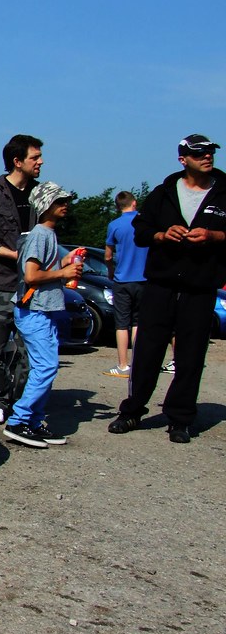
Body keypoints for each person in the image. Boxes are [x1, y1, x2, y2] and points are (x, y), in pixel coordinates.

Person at [108, 134, 226, 443]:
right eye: (199, 153)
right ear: (183, 159)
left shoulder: (225, 192)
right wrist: (162, 235)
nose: (207, 157)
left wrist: (214, 237)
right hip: (160, 284)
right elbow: (142, 230)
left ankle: (181, 419)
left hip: (200, 287)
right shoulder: (163, 192)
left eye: (210, 152)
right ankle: (132, 411)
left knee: (190, 355)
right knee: (147, 351)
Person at [3, 182, 84, 447]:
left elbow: (41, 269)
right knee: (46, 367)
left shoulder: (47, 234)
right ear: (45, 206)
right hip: (34, 311)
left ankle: (34, 422)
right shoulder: (41, 234)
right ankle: (19, 421)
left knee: (45, 367)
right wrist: (64, 273)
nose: (65, 205)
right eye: (59, 201)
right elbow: (31, 275)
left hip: (41, 311)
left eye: (65, 200)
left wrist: (64, 262)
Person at [0, 134, 42, 425]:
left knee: (32, 350)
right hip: (0, 284)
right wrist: (18, 256)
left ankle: (22, 401)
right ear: (17, 162)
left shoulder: (42, 195)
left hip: (33, 286)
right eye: (34, 157)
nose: (40, 162)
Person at [103, 191, 148, 377]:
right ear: (134, 203)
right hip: (144, 279)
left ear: (118, 206)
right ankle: (138, 364)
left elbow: (107, 255)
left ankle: (122, 365)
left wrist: (111, 271)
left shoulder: (114, 225)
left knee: (122, 323)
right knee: (138, 322)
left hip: (122, 279)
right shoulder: (145, 223)